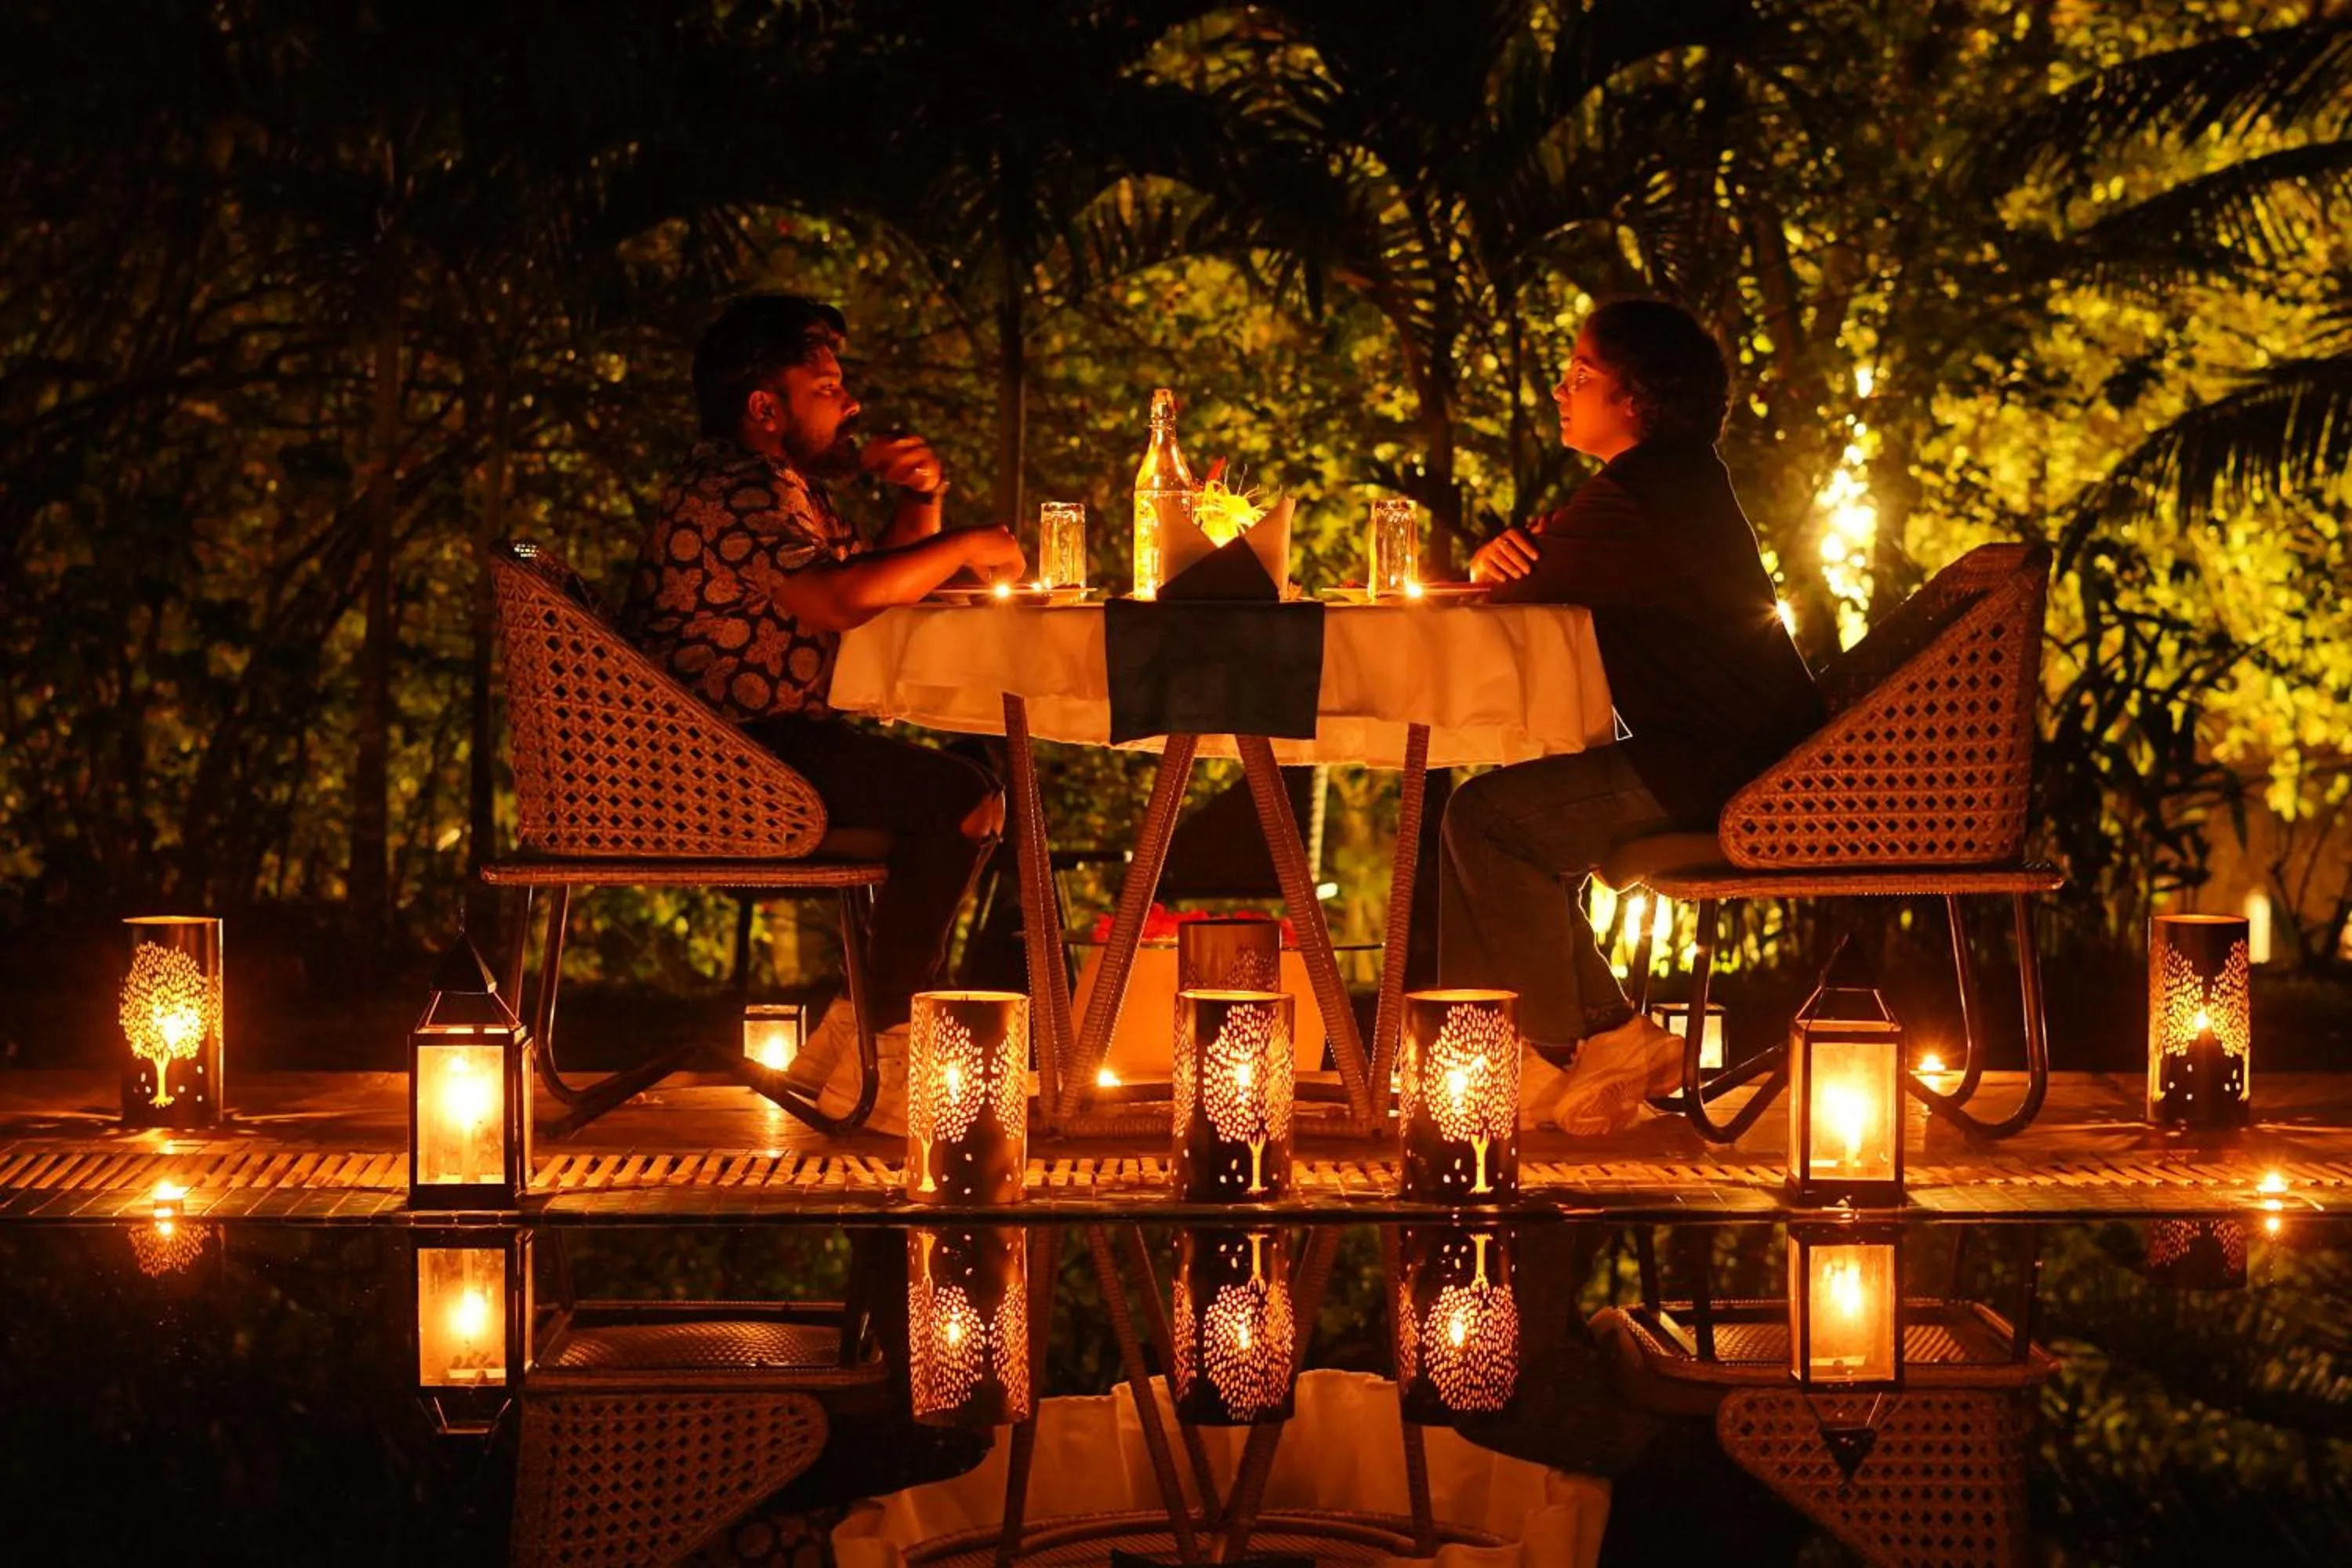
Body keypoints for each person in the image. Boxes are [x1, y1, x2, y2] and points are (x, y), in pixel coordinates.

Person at [621, 293, 1028, 1112]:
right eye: (826, 386)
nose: (852, 404)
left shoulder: (784, 487)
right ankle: (887, 1036)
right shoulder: (733, 487)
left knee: (980, 766)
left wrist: (924, 495)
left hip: (774, 742)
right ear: (765, 408)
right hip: (723, 755)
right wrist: (969, 541)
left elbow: (877, 575)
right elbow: (839, 598)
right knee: (960, 794)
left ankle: (860, 1030)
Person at [1442, 297, 1822, 1118]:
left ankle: (1559, 1047)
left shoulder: (1645, 494)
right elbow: (1547, 564)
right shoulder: (1666, 485)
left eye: (1582, 375)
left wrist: (1490, 555)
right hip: (1734, 752)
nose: (1560, 390)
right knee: (1486, 820)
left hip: (1730, 765)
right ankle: (1571, 1041)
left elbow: (1509, 583)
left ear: (1637, 399)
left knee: (1487, 821)